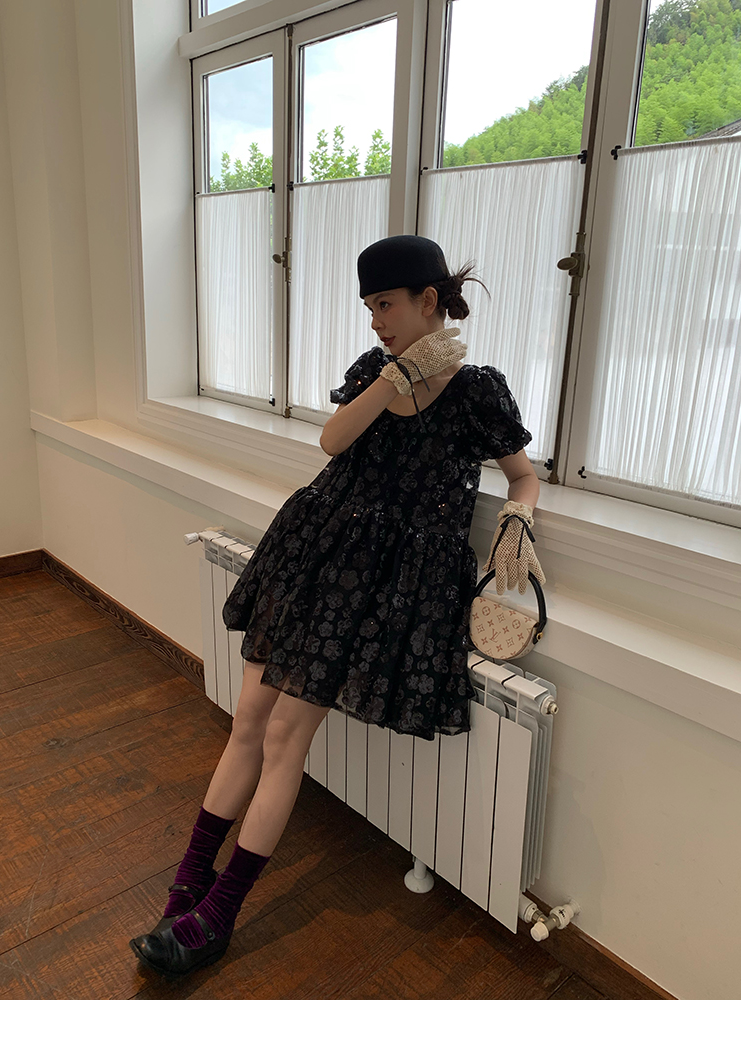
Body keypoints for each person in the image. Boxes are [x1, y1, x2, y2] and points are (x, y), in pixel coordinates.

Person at [129, 234, 545, 979]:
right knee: (248, 723)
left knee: (285, 736)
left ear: (427, 300)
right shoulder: (373, 372)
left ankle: (218, 915)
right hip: (316, 555)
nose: (376, 321)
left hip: (381, 589)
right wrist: (395, 377)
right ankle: (186, 887)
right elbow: (332, 440)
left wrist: (518, 516)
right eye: (369, 308)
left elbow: (523, 473)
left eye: (385, 305)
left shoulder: (479, 391)